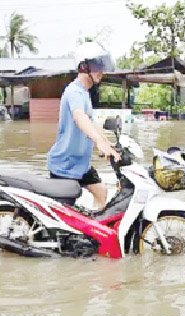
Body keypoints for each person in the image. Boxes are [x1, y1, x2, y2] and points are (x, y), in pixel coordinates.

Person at [46, 41, 121, 210]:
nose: (101, 71)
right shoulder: (74, 92)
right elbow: (80, 118)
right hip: (65, 165)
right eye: (97, 66)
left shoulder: (84, 93)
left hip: (80, 164)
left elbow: (90, 123)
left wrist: (106, 142)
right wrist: (99, 142)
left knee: (101, 192)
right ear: (84, 66)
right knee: (64, 218)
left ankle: (91, 235)